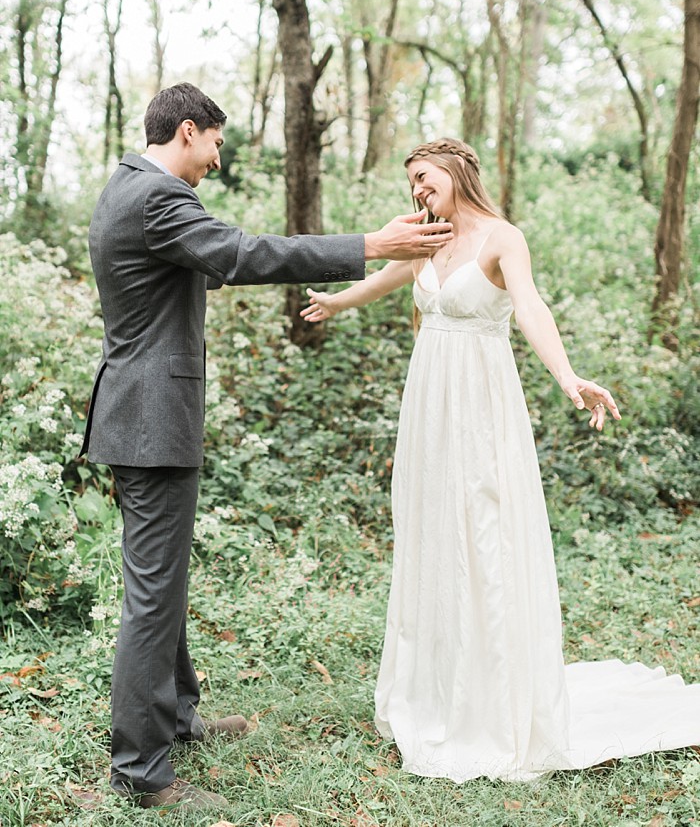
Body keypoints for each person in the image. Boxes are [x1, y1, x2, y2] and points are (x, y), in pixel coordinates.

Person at [80, 83, 454, 811]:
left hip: (141, 413)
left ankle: (178, 716)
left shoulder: (127, 187)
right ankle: (139, 771)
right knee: (152, 596)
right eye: (217, 142)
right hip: (151, 420)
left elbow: (216, 259)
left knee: (163, 585)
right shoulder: (157, 199)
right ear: (187, 131)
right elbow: (243, 254)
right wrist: (372, 245)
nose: (219, 159)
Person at [301, 137, 700, 782]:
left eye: (425, 179)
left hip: (481, 409)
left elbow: (531, 307)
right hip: (429, 406)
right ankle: (435, 688)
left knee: (482, 535)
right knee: (434, 533)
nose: (417, 191)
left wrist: (568, 377)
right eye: (412, 183)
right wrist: (339, 301)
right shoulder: (429, 238)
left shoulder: (501, 239)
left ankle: (491, 699)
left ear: (457, 173)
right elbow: (391, 276)